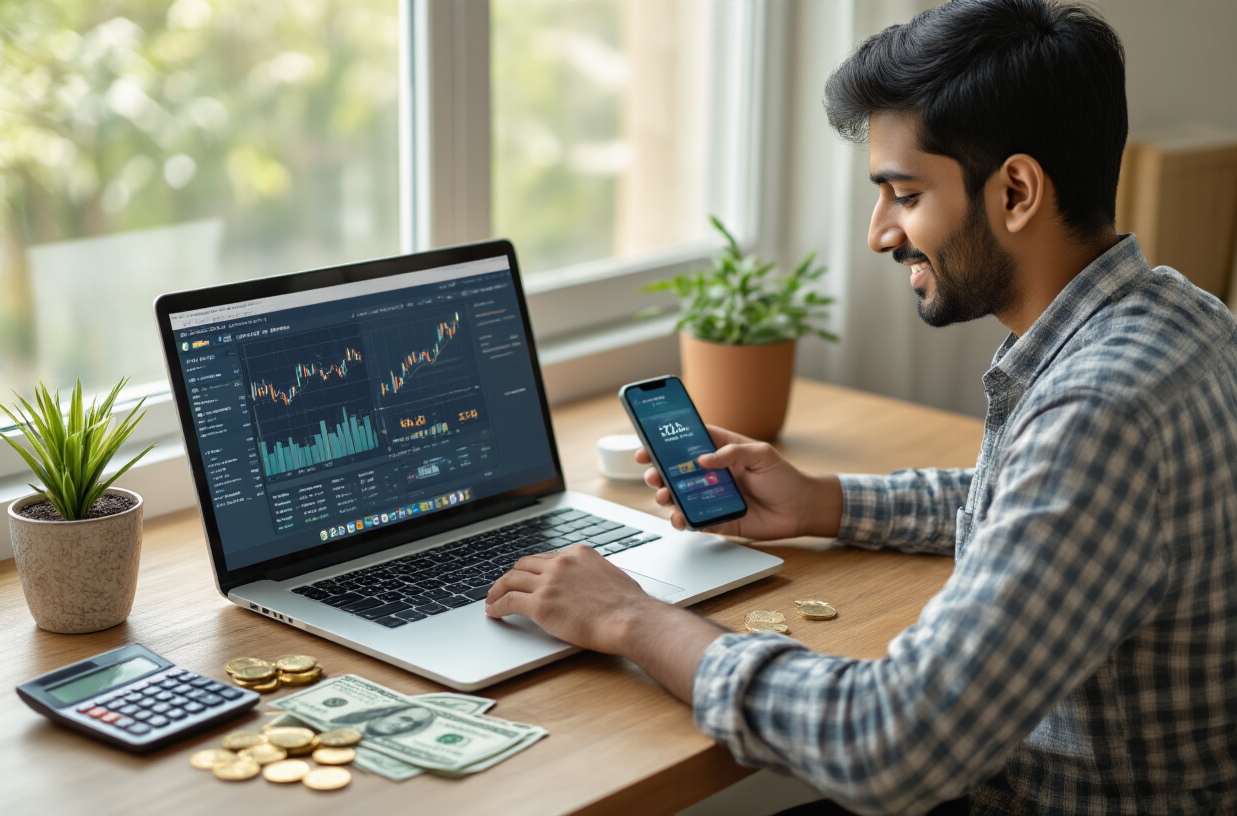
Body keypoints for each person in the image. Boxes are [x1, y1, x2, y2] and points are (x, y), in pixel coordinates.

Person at [485, 0, 1237, 813]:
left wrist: (634, 619)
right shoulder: (1176, 316)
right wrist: (823, 502)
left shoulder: (1098, 411)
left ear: (1016, 191)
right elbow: (1037, 501)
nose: (880, 233)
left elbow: (892, 741)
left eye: (904, 194)